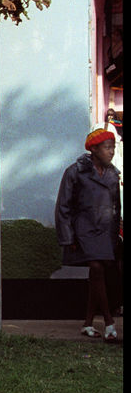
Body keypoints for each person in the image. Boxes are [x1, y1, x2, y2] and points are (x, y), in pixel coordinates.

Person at [55, 128, 122, 342]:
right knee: (96, 268)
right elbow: (63, 206)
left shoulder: (113, 174)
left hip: (105, 232)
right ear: (94, 149)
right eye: (107, 147)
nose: (111, 151)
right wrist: (68, 237)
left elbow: (116, 208)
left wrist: (115, 235)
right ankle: (109, 322)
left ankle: (88, 323)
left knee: (97, 275)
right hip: (83, 230)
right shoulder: (75, 172)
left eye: (113, 147)